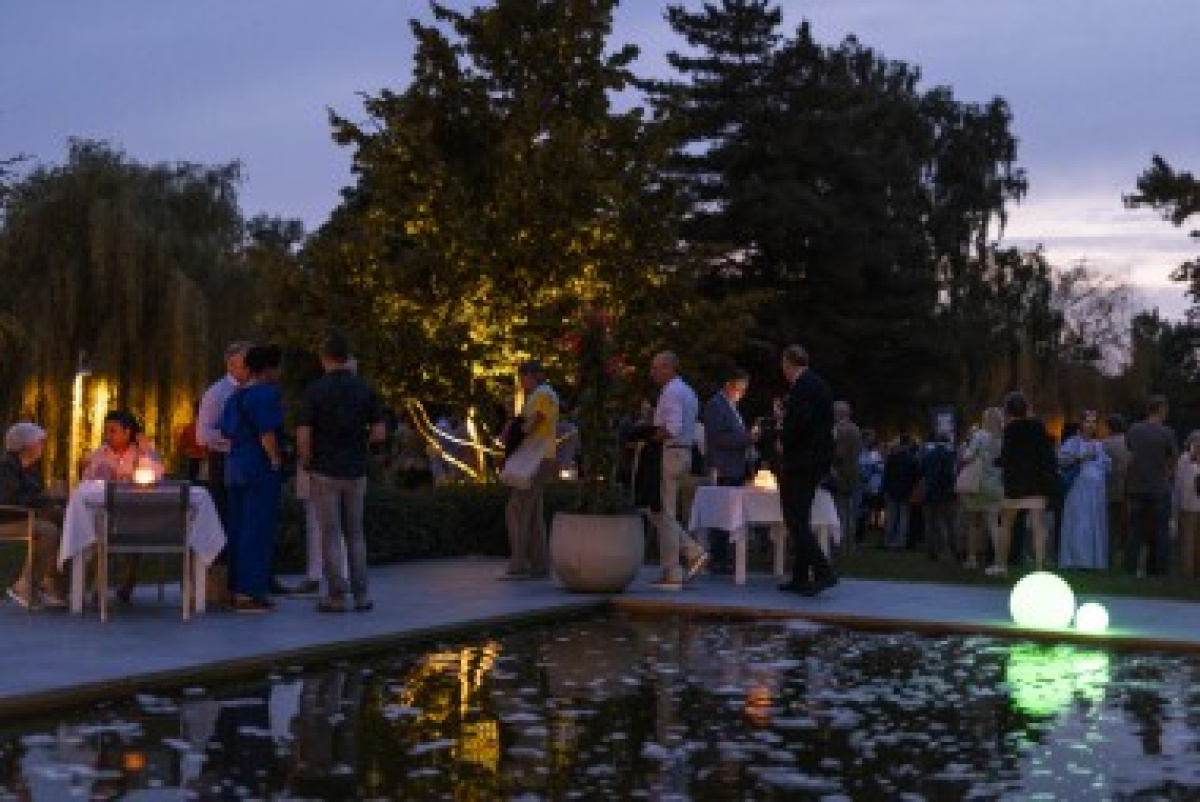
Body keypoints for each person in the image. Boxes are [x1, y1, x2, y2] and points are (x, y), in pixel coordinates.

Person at [296, 333, 386, 611]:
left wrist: (307, 461)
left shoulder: (315, 390)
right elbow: (379, 432)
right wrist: (364, 450)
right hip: (356, 470)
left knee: (331, 533)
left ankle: (336, 595)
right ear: (347, 357)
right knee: (356, 533)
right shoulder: (364, 389)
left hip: (325, 469)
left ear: (324, 359)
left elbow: (303, 433)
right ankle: (361, 595)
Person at [219, 344, 286, 612]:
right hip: (257, 466)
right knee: (256, 528)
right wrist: (275, 458)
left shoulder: (235, 396)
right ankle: (250, 591)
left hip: (235, 465)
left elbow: (226, 431)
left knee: (237, 526)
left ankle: (235, 587)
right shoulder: (265, 394)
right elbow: (266, 431)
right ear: (269, 368)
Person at [81, 409, 166, 602]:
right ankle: (99, 582)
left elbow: (157, 477)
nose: (108, 435)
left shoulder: (142, 452)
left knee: (131, 529)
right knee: (102, 530)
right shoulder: (100, 453)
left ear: (128, 432)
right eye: (106, 431)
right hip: (105, 513)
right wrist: (95, 472)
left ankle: (127, 579)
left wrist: (145, 452)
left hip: (139, 514)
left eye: (113, 431)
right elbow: (87, 484)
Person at [776, 345, 838, 596]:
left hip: (802, 461)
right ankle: (800, 576)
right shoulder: (818, 384)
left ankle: (823, 571)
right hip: (814, 460)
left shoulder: (803, 387)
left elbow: (799, 423)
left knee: (795, 519)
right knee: (801, 516)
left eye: (783, 364)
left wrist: (783, 437)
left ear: (789, 363)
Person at [647, 352, 707, 590]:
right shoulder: (688, 391)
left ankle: (675, 568)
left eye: (656, 368)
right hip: (684, 453)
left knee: (664, 512)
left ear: (668, 368)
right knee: (662, 511)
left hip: (671, 453)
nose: (652, 373)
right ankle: (682, 559)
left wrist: (648, 436)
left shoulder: (671, 392)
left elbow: (672, 427)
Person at [499, 360, 558, 580]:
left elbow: (536, 420)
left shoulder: (543, 395)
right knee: (531, 511)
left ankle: (519, 562)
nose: (521, 382)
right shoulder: (543, 394)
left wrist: (516, 434)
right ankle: (539, 564)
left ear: (531, 376)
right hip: (541, 457)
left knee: (517, 509)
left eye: (522, 377)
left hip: (536, 458)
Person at [991, 391, 1057, 576]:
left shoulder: (1009, 429)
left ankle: (1001, 565)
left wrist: (997, 461)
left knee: (1006, 524)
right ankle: (1039, 567)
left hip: (1015, 484)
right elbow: (1047, 454)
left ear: (1008, 410)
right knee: (1038, 526)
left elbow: (1007, 456)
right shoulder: (1038, 427)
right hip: (1036, 483)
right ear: (1026, 408)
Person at [0, 423, 65, 608]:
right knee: (48, 531)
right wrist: (44, 501)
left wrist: (53, 500)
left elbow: (35, 496)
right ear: (26, 444)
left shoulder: (30, 468)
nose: (42, 446)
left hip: (22, 516)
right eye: (40, 442)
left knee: (65, 521)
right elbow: (9, 500)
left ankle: (51, 585)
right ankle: (25, 585)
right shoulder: (6, 466)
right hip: (6, 519)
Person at [701, 367, 756, 574]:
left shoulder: (732, 407)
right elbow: (718, 438)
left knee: (729, 513)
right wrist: (747, 438)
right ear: (729, 385)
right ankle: (718, 558)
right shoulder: (716, 405)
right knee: (721, 514)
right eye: (740, 388)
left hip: (735, 467)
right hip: (723, 468)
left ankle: (723, 556)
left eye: (744, 389)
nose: (742, 393)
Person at [196, 341, 252, 527]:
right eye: (247, 362)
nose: (252, 366)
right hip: (223, 462)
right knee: (225, 516)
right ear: (231, 365)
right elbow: (202, 435)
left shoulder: (256, 388)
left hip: (249, 461)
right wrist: (233, 438)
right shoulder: (216, 393)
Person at [1125, 395, 1177, 577]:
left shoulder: (1134, 429)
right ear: (1161, 409)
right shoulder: (1167, 433)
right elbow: (1173, 459)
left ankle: (1130, 567)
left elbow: (1130, 454)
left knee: (1134, 530)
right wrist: (1167, 475)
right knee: (1161, 531)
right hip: (1159, 487)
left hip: (1136, 486)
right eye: (1166, 409)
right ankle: (1159, 570)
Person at [1057, 411, 1111, 569]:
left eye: (1093, 422)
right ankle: (1077, 560)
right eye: (1088, 421)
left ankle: (1094, 561)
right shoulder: (1073, 442)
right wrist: (1080, 457)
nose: (1091, 425)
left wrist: (1105, 463)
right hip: (1078, 488)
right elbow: (1061, 460)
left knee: (1094, 523)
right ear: (1081, 423)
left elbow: (1105, 465)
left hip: (1096, 490)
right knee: (1079, 523)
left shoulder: (1099, 445)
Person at [957, 408, 1004, 569]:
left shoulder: (979, 435)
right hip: (996, 485)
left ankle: (972, 559)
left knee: (973, 523)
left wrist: (965, 448)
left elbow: (967, 456)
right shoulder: (1003, 438)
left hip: (977, 484)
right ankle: (998, 561)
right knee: (993, 524)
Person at [920, 431, 958, 562]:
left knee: (931, 523)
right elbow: (949, 475)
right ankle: (954, 550)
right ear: (947, 441)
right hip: (946, 494)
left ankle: (932, 551)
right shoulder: (949, 455)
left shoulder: (928, 455)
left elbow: (922, 471)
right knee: (950, 523)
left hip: (930, 493)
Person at [832, 401, 863, 550]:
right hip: (853, 473)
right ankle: (850, 540)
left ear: (839, 413)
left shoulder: (841, 430)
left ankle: (841, 540)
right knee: (850, 509)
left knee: (840, 509)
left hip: (841, 474)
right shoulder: (855, 428)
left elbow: (839, 454)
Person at [1102, 413, 1131, 564]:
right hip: (1127, 487)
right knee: (1126, 525)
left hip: (1109, 487)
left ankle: (1109, 556)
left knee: (1109, 525)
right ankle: (1127, 557)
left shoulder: (1104, 444)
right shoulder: (1129, 442)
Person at [881, 436, 920, 550]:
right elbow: (916, 477)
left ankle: (888, 540)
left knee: (891, 517)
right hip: (906, 491)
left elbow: (886, 475)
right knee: (903, 518)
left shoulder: (892, 457)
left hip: (892, 491)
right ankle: (900, 541)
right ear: (908, 444)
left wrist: (885, 489)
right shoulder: (912, 459)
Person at [1172, 431, 1200, 580]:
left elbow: (1180, 484)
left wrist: (1176, 507)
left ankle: (1187, 573)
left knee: (1187, 541)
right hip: (1190, 504)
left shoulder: (1184, 459)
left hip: (1188, 506)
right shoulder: (1185, 459)